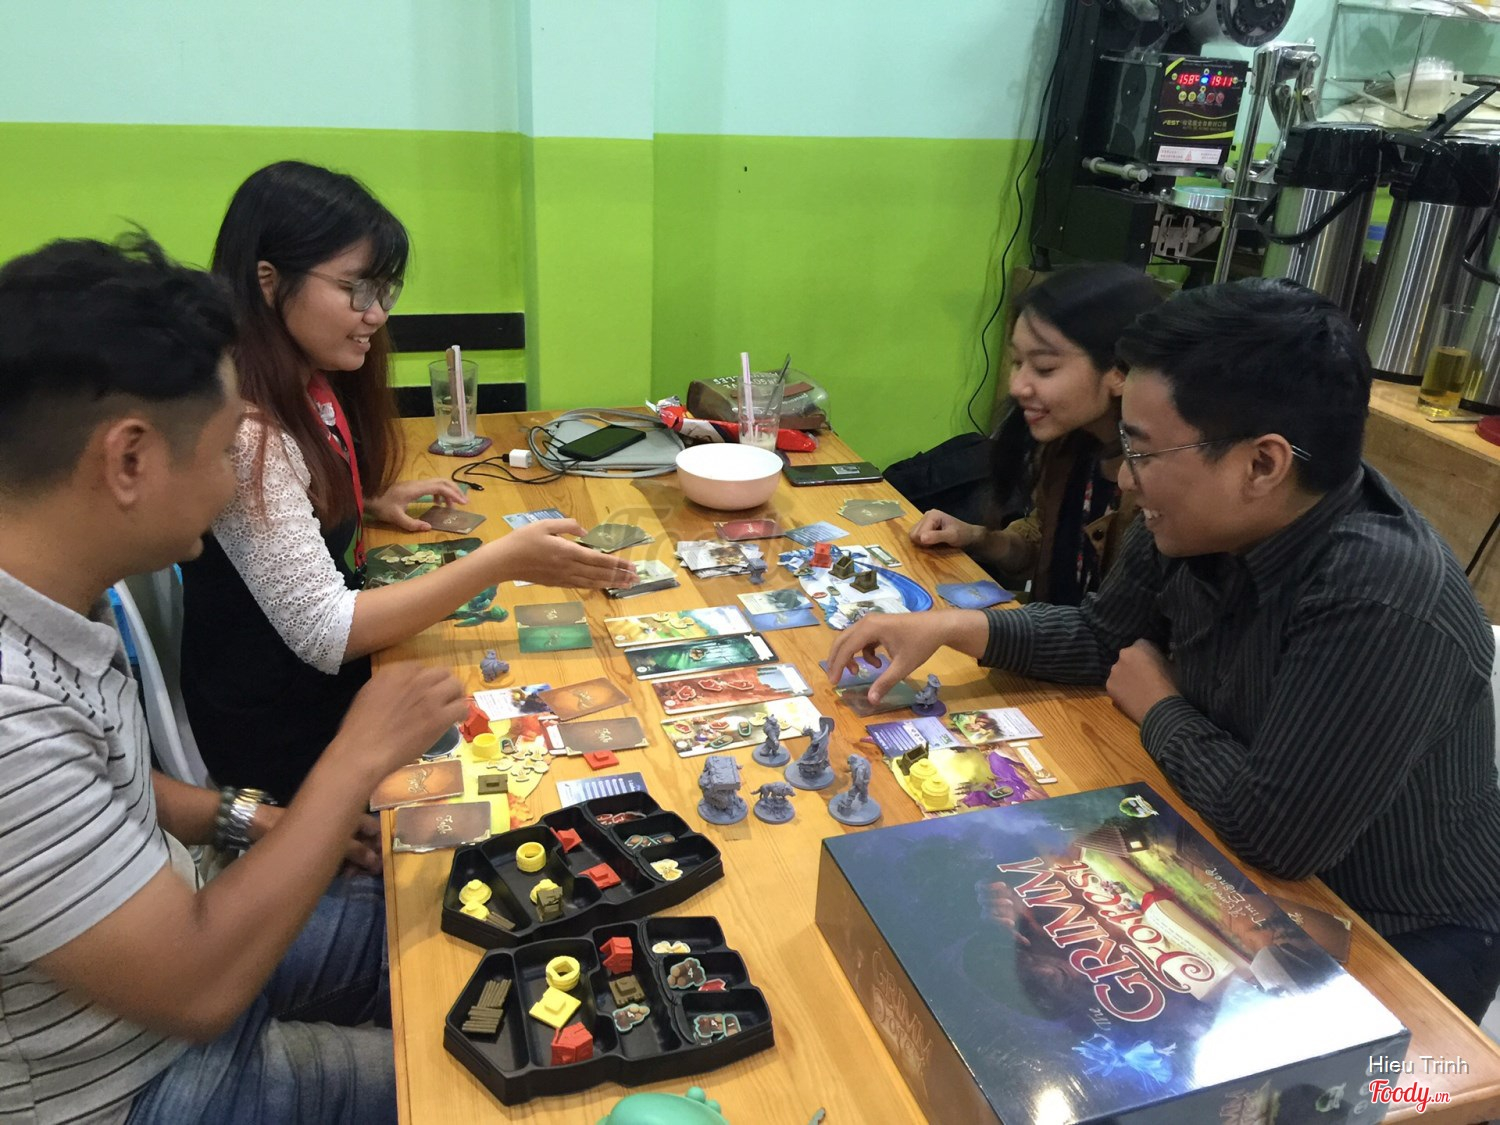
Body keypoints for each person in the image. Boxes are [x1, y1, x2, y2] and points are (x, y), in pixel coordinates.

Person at [830, 278, 1500, 1021]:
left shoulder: (1381, 596)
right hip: (1224, 860)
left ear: (1262, 465)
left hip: (1398, 931)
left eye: (1142, 451)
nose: (1124, 476)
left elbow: (1275, 834)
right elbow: (1103, 637)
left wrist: (1160, 705)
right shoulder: (1195, 516)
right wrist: (954, 628)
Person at [0, 233, 466, 1123]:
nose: (230, 487)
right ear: (128, 460)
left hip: (182, 934)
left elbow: (103, 786)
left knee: (484, 918)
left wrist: (246, 816)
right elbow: (199, 988)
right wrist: (354, 758)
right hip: (138, 1083)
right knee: (484, 1092)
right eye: (222, 453)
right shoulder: (10, 711)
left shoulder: (55, 593)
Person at [180, 161, 634, 802]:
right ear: (268, 281)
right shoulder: (248, 428)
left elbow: (282, 509)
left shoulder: (305, 381)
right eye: (355, 290)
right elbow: (328, 632)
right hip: (288, 738)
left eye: (384, 292)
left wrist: (361, 502)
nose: (374, 315)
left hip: (328, 696)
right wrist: (500, 562)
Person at [910, 265, 1164, 604]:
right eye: (1017, 362)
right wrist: (976, 537)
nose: (1017, 386)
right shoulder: (1068, 445)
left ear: (1119, 371)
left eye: (1044, 368)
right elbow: (1040, 549)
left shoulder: (1158, 489)